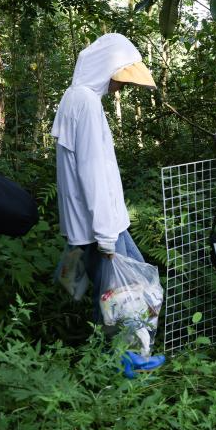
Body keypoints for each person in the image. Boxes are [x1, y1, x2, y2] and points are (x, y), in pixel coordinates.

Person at [51, 32, 165, 376]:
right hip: (102, 227)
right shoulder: (85, 103)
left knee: (109, 296)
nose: (120, 87)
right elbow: (93, 172)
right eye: (119, 78)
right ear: (105, 69)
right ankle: (131, 365)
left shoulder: (74, 98)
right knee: (131, 295)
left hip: (86, 226)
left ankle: (108, 360)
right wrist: (105, 237)